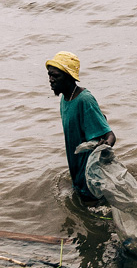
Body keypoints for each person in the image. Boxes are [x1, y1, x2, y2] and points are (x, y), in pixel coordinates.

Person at [46, 51, 115, 203]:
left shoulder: (84, 100)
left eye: (55, 76)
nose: (51, 80)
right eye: (49, 75)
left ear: (69, 76)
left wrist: (106, 144)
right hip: (78, 173)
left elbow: (110, 135)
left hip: (91, 178)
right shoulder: (65, 99)